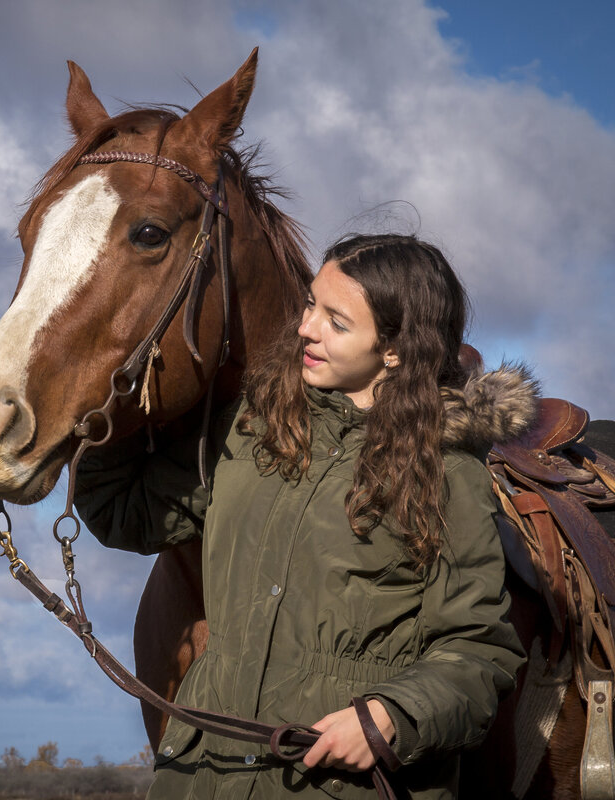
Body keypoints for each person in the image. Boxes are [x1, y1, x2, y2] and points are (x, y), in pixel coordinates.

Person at [75, 233, 533, 799]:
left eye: (337, 322)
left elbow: (479, 651)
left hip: (339, 785)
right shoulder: (253, 425)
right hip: (200, 779)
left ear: (394, 349)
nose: (306, 328)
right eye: (311, 304)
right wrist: (99, 404)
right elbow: (127, 513)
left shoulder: (447, 474)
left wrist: (390, 717)